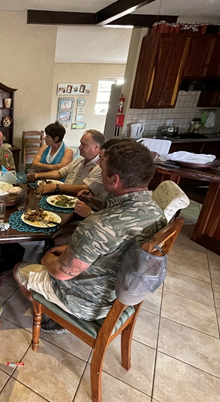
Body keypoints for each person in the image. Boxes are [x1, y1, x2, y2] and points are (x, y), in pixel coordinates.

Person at [15, 141, 166, 330]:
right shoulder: (158, 214)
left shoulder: (99, 224)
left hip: (87, 303)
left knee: (20, 269)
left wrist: (47, 259)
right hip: (118, 293)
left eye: (102, 169)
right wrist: (72, 249)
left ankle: (53, 317)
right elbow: (115, 249)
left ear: (115, 180)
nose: (99, 171)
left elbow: (61, 273)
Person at [28, 129, 105, 198]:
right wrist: (37, 175)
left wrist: (57, 187)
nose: (79, 147)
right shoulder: (80, 160)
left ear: (96, 147)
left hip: (79, 203)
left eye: (83, 144)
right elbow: (60, 173)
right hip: (64, 197)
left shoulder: (101, 166)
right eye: (80, 144)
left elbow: (86, 188)